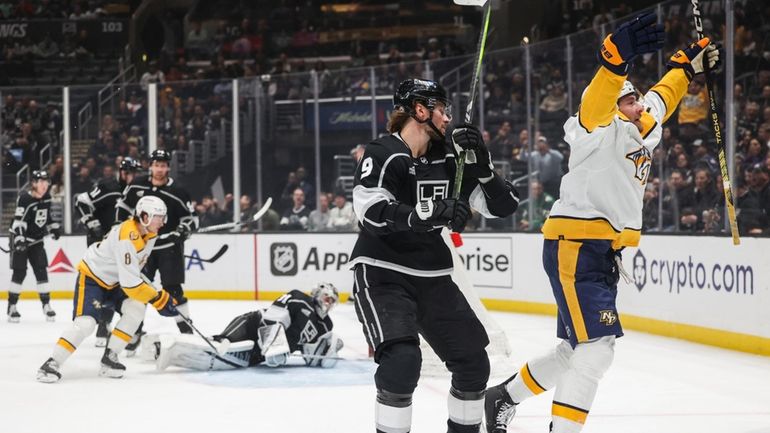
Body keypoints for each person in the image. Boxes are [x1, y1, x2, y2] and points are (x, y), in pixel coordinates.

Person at [484, 13, 720, 433]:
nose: (638, 105)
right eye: (629, 100)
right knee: (596, 351)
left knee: (575, 351)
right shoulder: (592, 128)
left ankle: (501, 396)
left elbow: (663, 95)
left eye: (637, 100)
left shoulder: (644, 126)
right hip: (576, 244)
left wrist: (685, 66)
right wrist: (614, 64)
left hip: (600, 253)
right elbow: (595, 100)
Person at [349, 78, 520, 433]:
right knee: (402, 362)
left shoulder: (449, 157)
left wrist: (484, 166)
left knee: (474, 364)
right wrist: (424, 214)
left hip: (434, 275)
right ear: (420, 110)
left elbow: (503, 206)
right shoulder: (383, 152)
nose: (447, 117)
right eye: (441, 109)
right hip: (383, 273)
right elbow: (370, 209)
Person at [36, 196, 178, 383]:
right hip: (93, 279)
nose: (163, 221)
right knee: (86, 323)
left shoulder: (149, 234)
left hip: (116, 281)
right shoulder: (127, 236)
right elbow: (131, 285)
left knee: (136, 309)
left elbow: (134, 270)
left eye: (163, 216)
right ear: (144, 216)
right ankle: (51, 363)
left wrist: (155, 294)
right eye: (159, 216)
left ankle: (110, 358)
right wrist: (158, 299)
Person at [153, 283, 342, 371]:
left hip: (263, 353)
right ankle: (162, 345)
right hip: (253, 325)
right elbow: (274, 317)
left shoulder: (326, 325)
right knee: (220, 344)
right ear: (317, 294)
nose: (328, 303)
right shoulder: (299, 298)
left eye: (332, 301)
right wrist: (275, 346)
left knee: (222, 362)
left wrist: (333, 348)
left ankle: (172, 352)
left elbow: (315, 357)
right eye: (327, 298)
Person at [116, 149, 199, 335]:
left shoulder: (178, 191)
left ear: (168, 167)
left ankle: (186, 331)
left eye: (163, 165)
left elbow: (192, 219)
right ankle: (135, 333)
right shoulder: (137, 186)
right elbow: (122, 207)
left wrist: (183, 230)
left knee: (173, 289)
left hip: (169, 248)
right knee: (139, 291)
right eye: (156, 165)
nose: (159, 169)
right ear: (150, 166)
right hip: (143, 248)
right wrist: (119, 228)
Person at [75, 157, 142, 346]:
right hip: (100, 244)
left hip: (118, 247)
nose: (133, 176)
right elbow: (81, 201)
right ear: (121, 172)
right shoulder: (108, 186)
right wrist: (89, 220)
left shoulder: (137, 193)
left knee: (117, 284)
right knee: (106, 283)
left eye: (135, 173)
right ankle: (103, 327)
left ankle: (106, 327)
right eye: (130, 172)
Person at [6, 170, 62, 323]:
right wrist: (20, 239)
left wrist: (53, 227)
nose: (45, 185)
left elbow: (46, 217)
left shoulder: (47, 198)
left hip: (36, 241)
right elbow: (19, 221)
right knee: (20, 272)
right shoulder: (24, 199)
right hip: (20, 239)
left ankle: (46, 305)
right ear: (34, 183)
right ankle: (11, 306)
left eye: (46, 181)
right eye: (41, 181)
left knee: (41, 270)